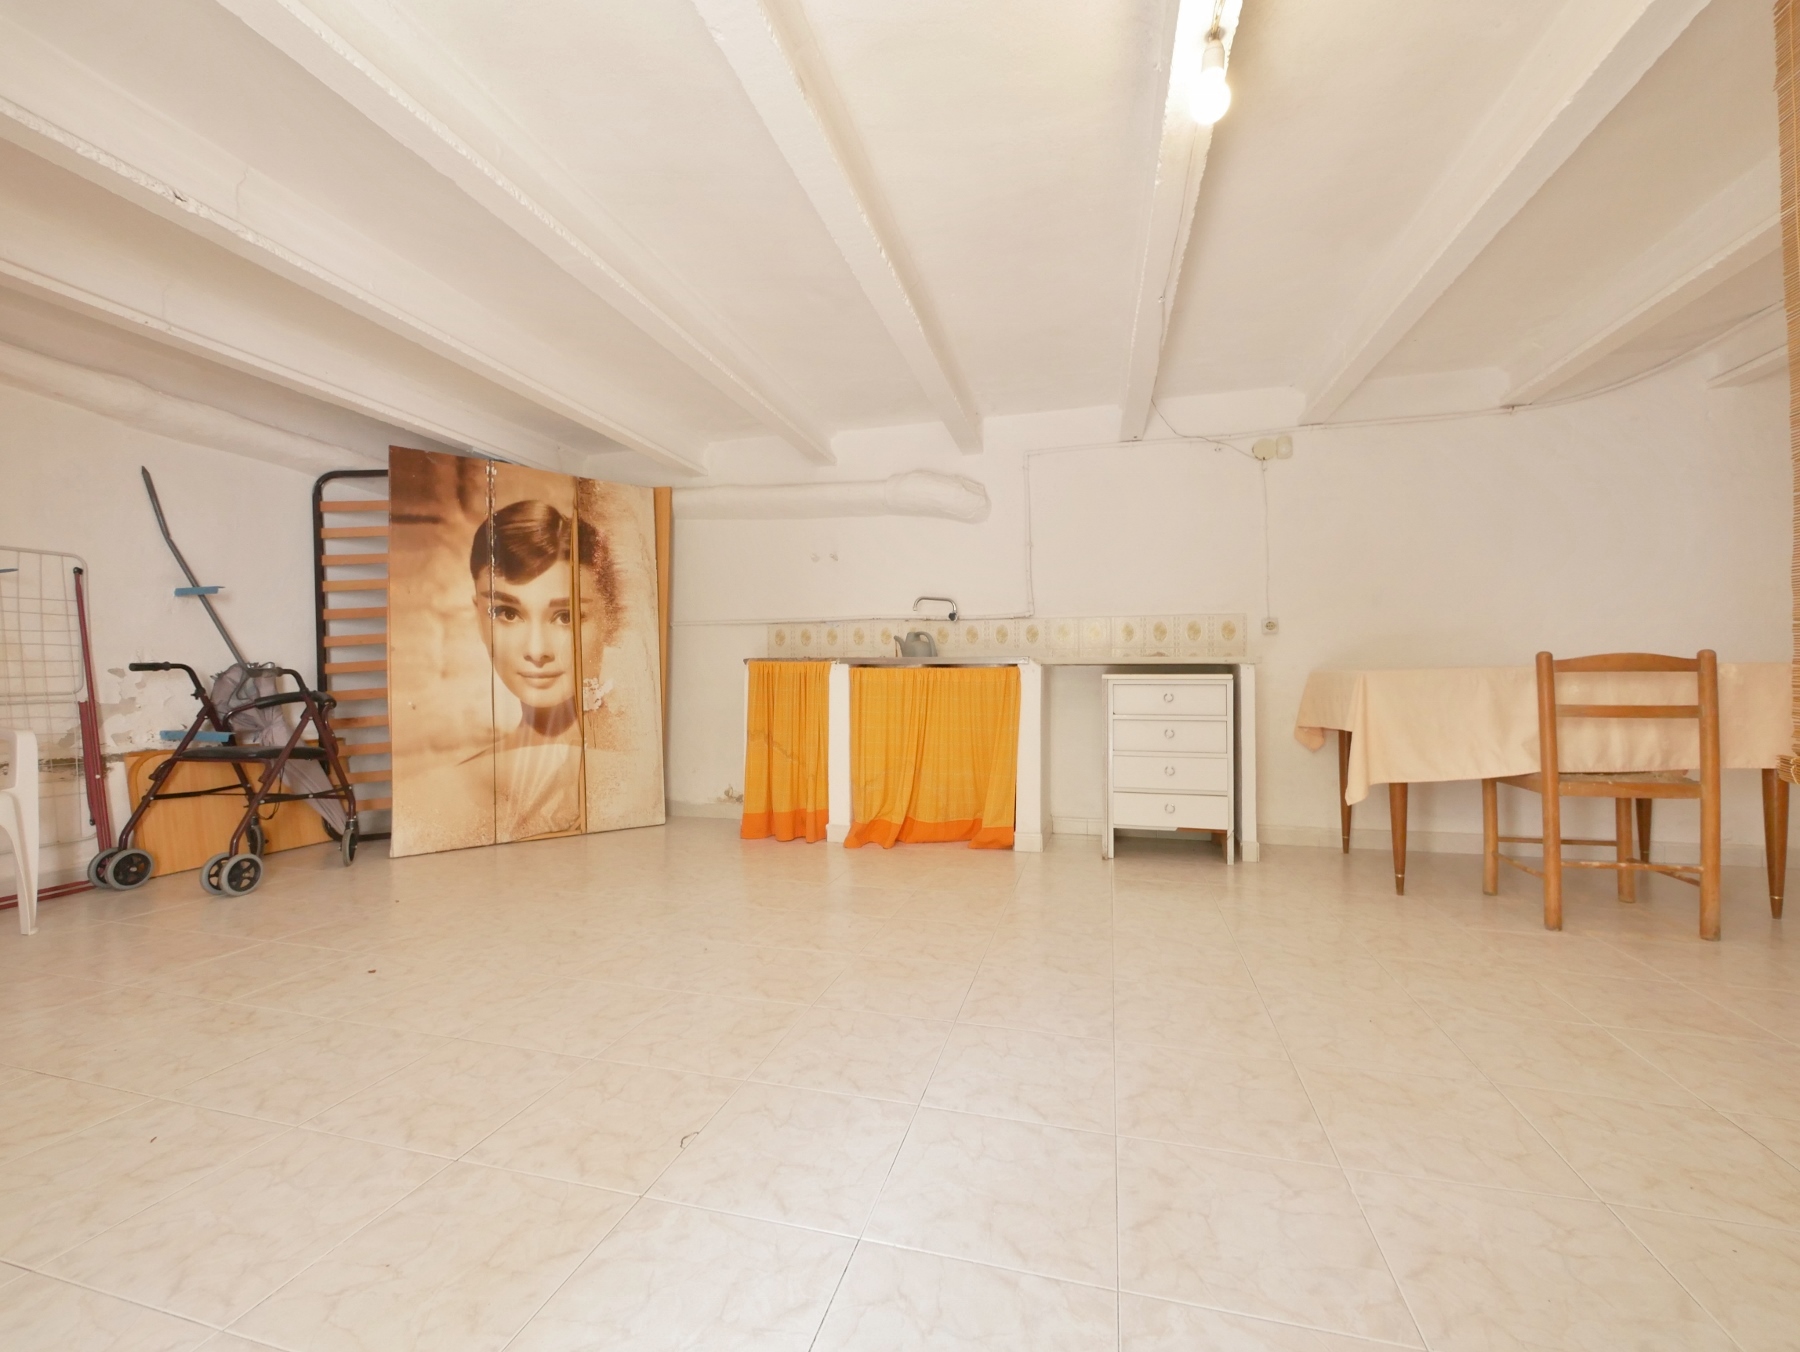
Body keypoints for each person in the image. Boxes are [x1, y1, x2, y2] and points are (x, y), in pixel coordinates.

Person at [466, 499, 615, 840]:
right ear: (478, 615)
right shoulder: (460, 783)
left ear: (608, 619)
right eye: (507, 613)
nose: (537, 651)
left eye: (565, 617)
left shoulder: (636, 765)